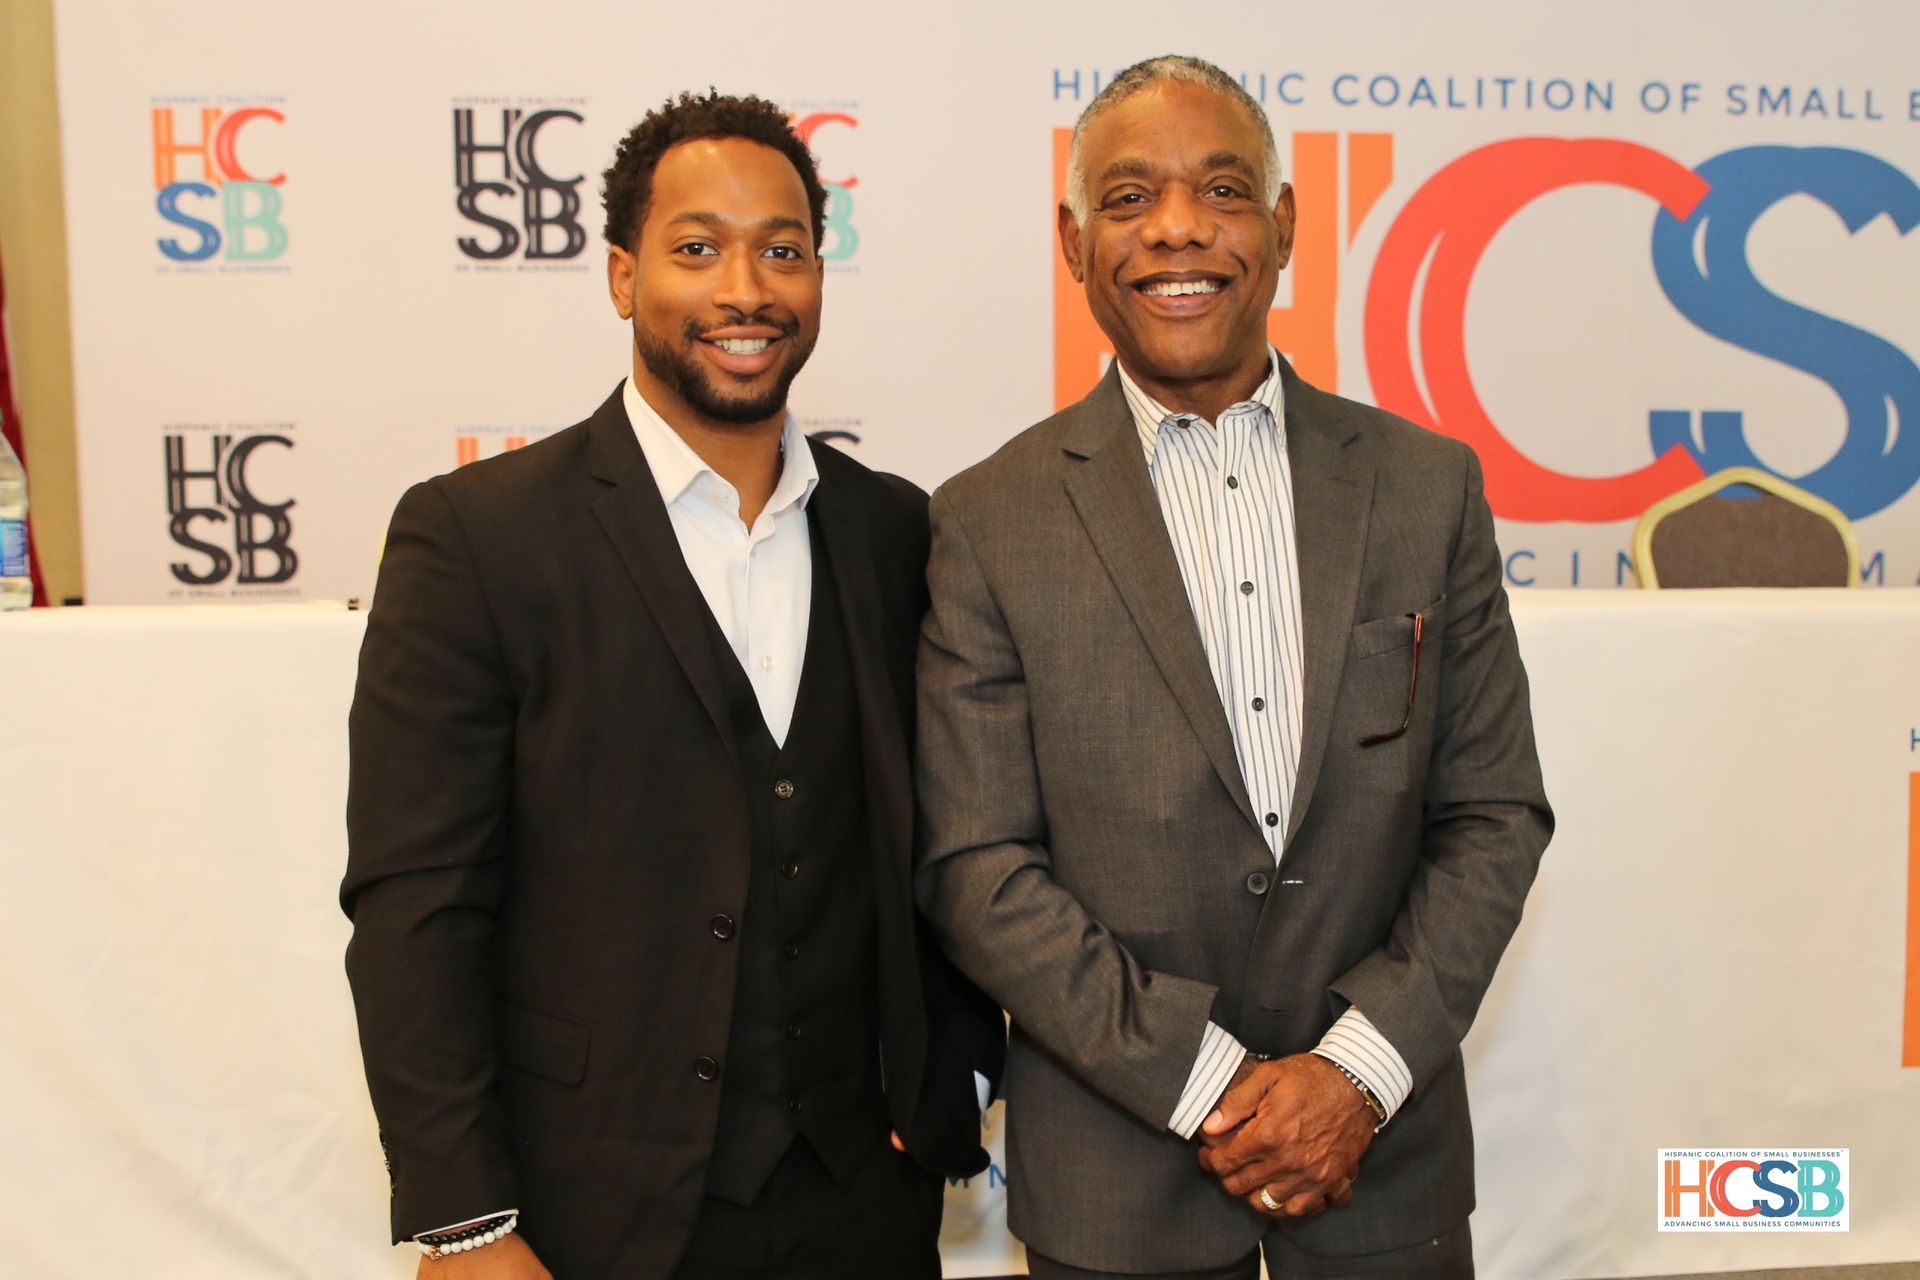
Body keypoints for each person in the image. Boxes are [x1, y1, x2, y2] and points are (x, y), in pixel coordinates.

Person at [342, 90, 1002, 1280]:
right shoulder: (478, 537)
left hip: (867, 1198)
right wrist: (466, 1218)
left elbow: (952, 833)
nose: (745, 289)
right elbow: (416, 903)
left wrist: (954, 1068)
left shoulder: (898, 531)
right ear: (621, 274)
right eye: (697, 248)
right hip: (589, 1209)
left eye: (782, 251)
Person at [914, 55, 1552, 1280]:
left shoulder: (1427, 488)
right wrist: (1213, 1084)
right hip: (1117, 1189)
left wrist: (1353, 1074)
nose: (1178, 229)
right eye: (1128, 197)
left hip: (1384, 1172)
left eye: (1221, 189)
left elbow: (1494, 812)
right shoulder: (988, 520)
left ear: (1285, 224)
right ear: (1073, 241)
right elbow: (978, 865)